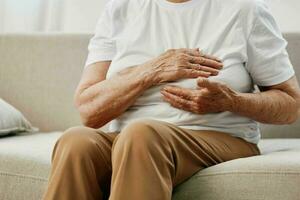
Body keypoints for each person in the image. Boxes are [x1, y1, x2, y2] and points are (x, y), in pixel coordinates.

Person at [43, 0, 300, 199]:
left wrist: (232, 101)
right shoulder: (121, 9)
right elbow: (89, 110)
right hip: (132, 138)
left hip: (217, 136)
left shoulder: (245, 9)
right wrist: (152, 70)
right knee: (76, 142)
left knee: (142, 134)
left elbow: (291, 105)